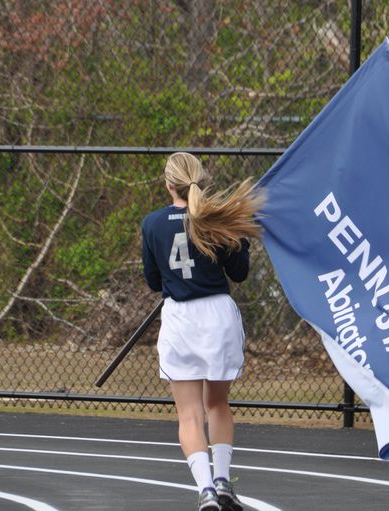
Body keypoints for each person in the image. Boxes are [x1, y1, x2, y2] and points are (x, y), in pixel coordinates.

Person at [141, 152, 264, 511]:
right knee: (218, 403)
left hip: (181, 319)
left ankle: (207, 490)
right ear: (201, 181)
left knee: (189, 414)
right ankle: (223, 482)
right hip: (218, 316)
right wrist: (241, 236)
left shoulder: (152, 224)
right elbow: (238, 273)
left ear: (168, 185)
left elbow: (152, 281)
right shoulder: (215, 219)